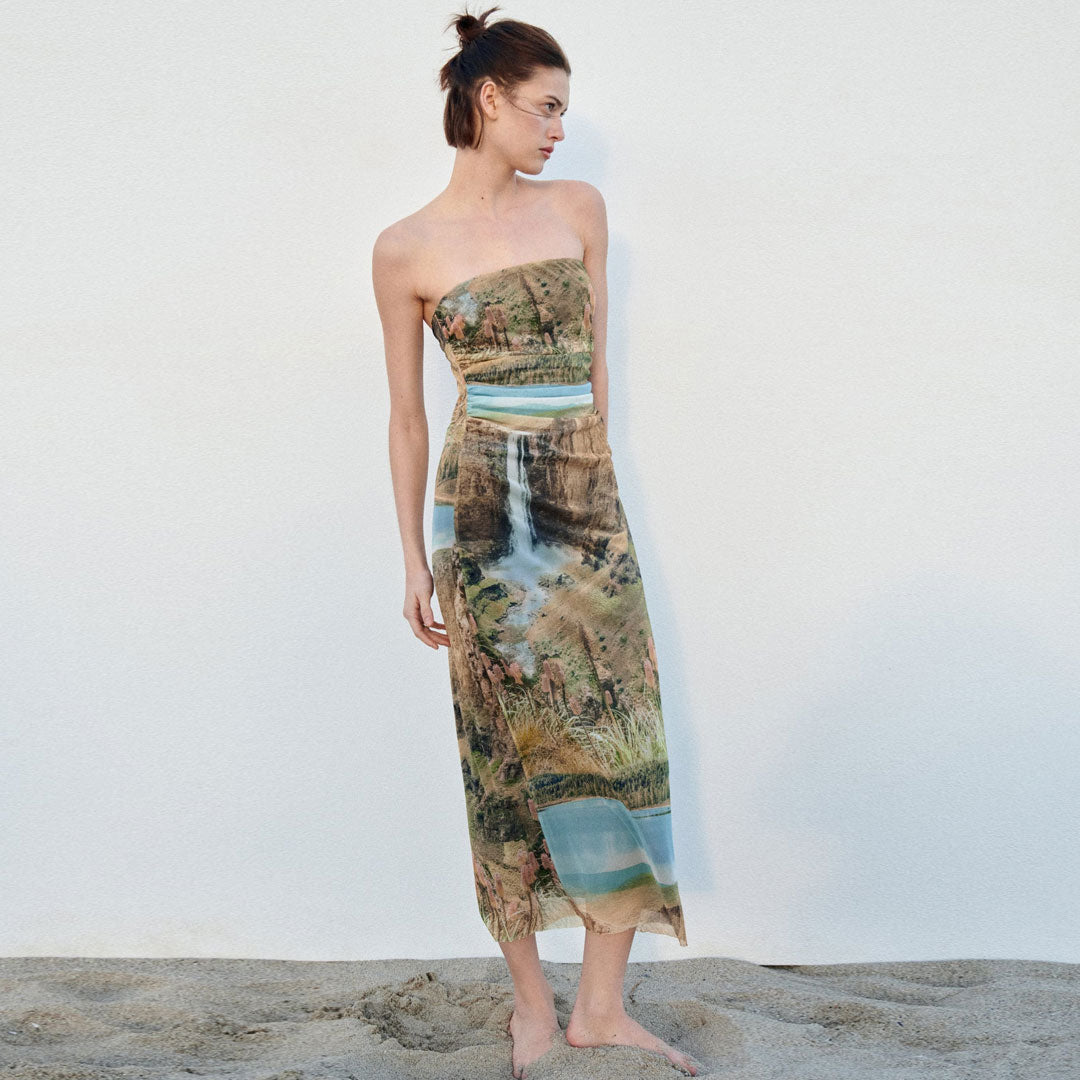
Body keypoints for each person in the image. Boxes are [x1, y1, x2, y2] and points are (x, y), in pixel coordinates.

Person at [371, 7, 699, 1078]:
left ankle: (600, 1008)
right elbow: (408, 416)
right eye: (546, 108)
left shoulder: (578, 208)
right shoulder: (405, 248)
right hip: (480, 515)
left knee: (619, 738)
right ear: (488, 99)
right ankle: (530, 1006)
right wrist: (414, 559)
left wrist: (594, 503)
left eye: (565, 111)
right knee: (503, 753)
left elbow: (594, 372)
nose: (560, 129)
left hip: (582, 505)